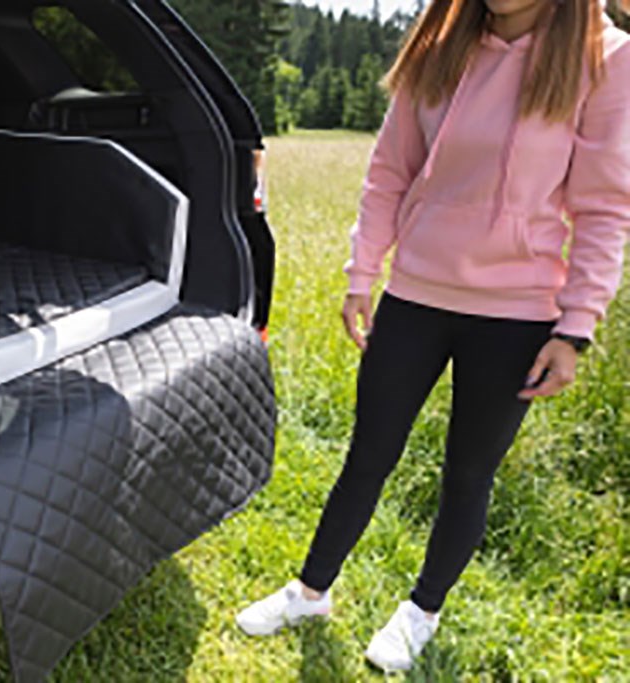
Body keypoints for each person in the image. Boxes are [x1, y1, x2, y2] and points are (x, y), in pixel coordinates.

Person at [236, 0, 630, 672]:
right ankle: (311, 591)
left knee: (468, 473)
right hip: (415, 294)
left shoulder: (605, 58)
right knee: (368, 453)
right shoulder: (441, 42)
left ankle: (422, 610)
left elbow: (603, 206)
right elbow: (390, 170)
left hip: (517, 313)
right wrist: (362, 274)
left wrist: (576, 327)